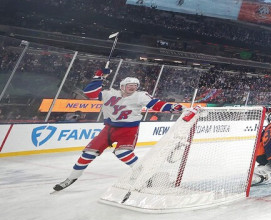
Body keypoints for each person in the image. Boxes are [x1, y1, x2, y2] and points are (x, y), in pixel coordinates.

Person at [53, 69, 183, 192]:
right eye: (130, 85)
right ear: (122, 86)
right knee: (88, 154)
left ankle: (143, 175)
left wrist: (173, 108)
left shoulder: (140, 96)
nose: (133, 87)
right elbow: (90, 94)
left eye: (135, 85)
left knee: (123, 153)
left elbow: (155, 104)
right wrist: (99, 77)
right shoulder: (109, 94)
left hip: (128, 130)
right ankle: (71, 177)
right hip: (109, 129)